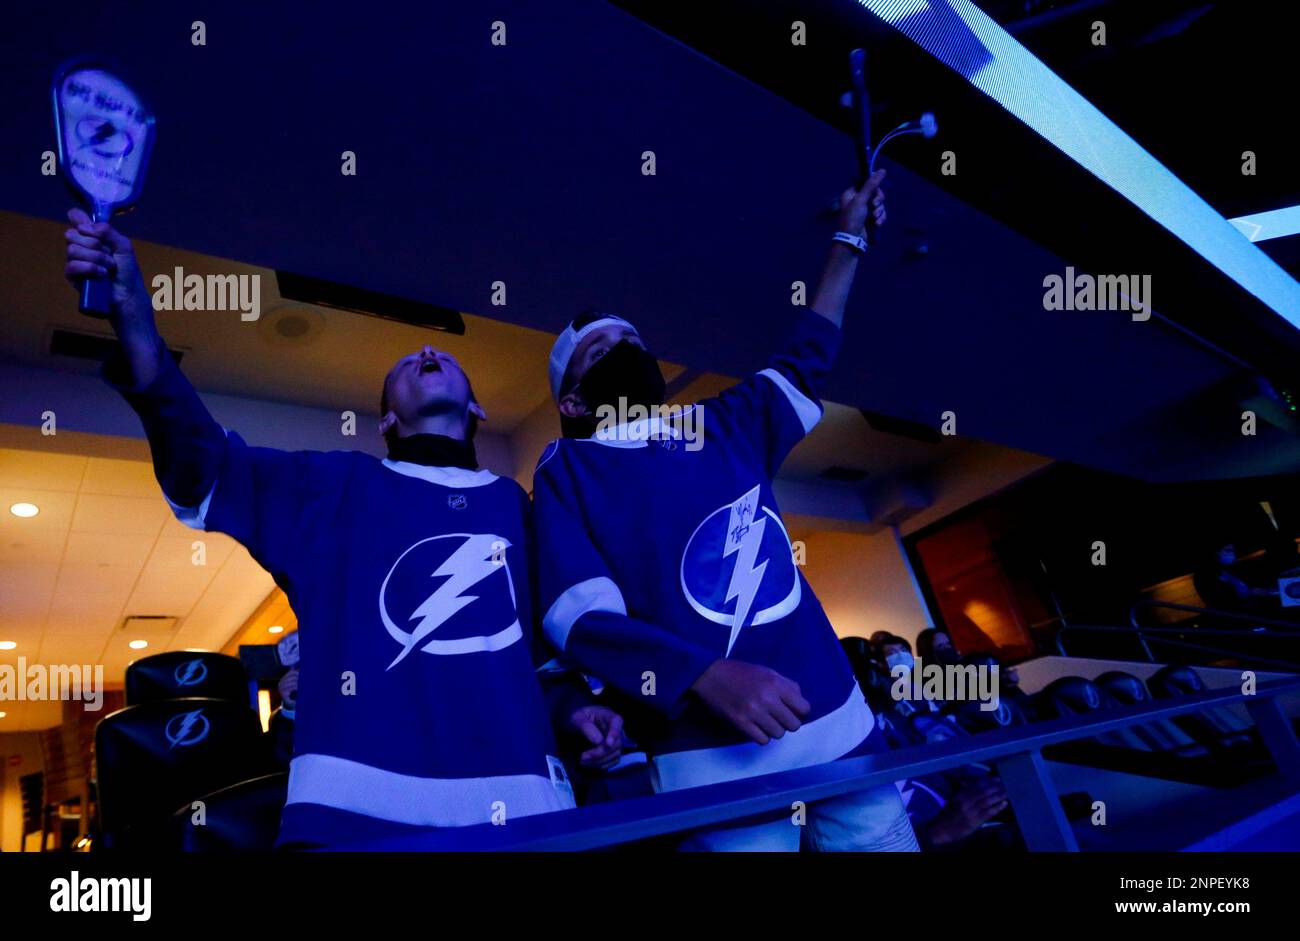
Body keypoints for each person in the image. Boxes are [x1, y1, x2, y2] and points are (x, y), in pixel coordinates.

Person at [63, 210, 623, 848]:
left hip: (524, 812)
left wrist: (578, 710)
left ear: (476, 408)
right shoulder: (330, 489)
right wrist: (137, 322)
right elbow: (201, 464)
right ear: (386, 422)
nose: (429, 349)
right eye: (405, 364)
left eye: (441, 355)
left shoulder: (521, 509)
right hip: (350, 821)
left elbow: (540, 664)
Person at [533, 172, 918, 851]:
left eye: (630, 342)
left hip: (834, 719)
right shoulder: (570, 467)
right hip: (707, 758)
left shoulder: (721, 421)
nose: (622, 350)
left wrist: (849, 239)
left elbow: (806, 358)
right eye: (599, 351)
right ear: (571, 402)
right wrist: (703, 674)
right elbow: (578, 615)